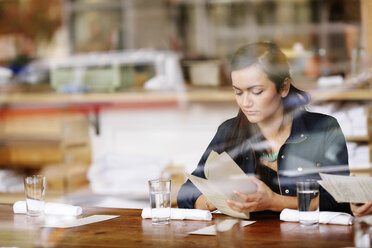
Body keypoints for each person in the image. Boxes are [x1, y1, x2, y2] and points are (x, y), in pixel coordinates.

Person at [177, 41, 351, 214]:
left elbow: (340, 199)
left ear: (283, 88)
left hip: (308, 238)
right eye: (238, 92)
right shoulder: (229, 131)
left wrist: (274, 202)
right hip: (250, 239)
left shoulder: (323, 129)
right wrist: (218, 199)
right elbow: (186, 194)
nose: (245, 103)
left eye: (256, 92)